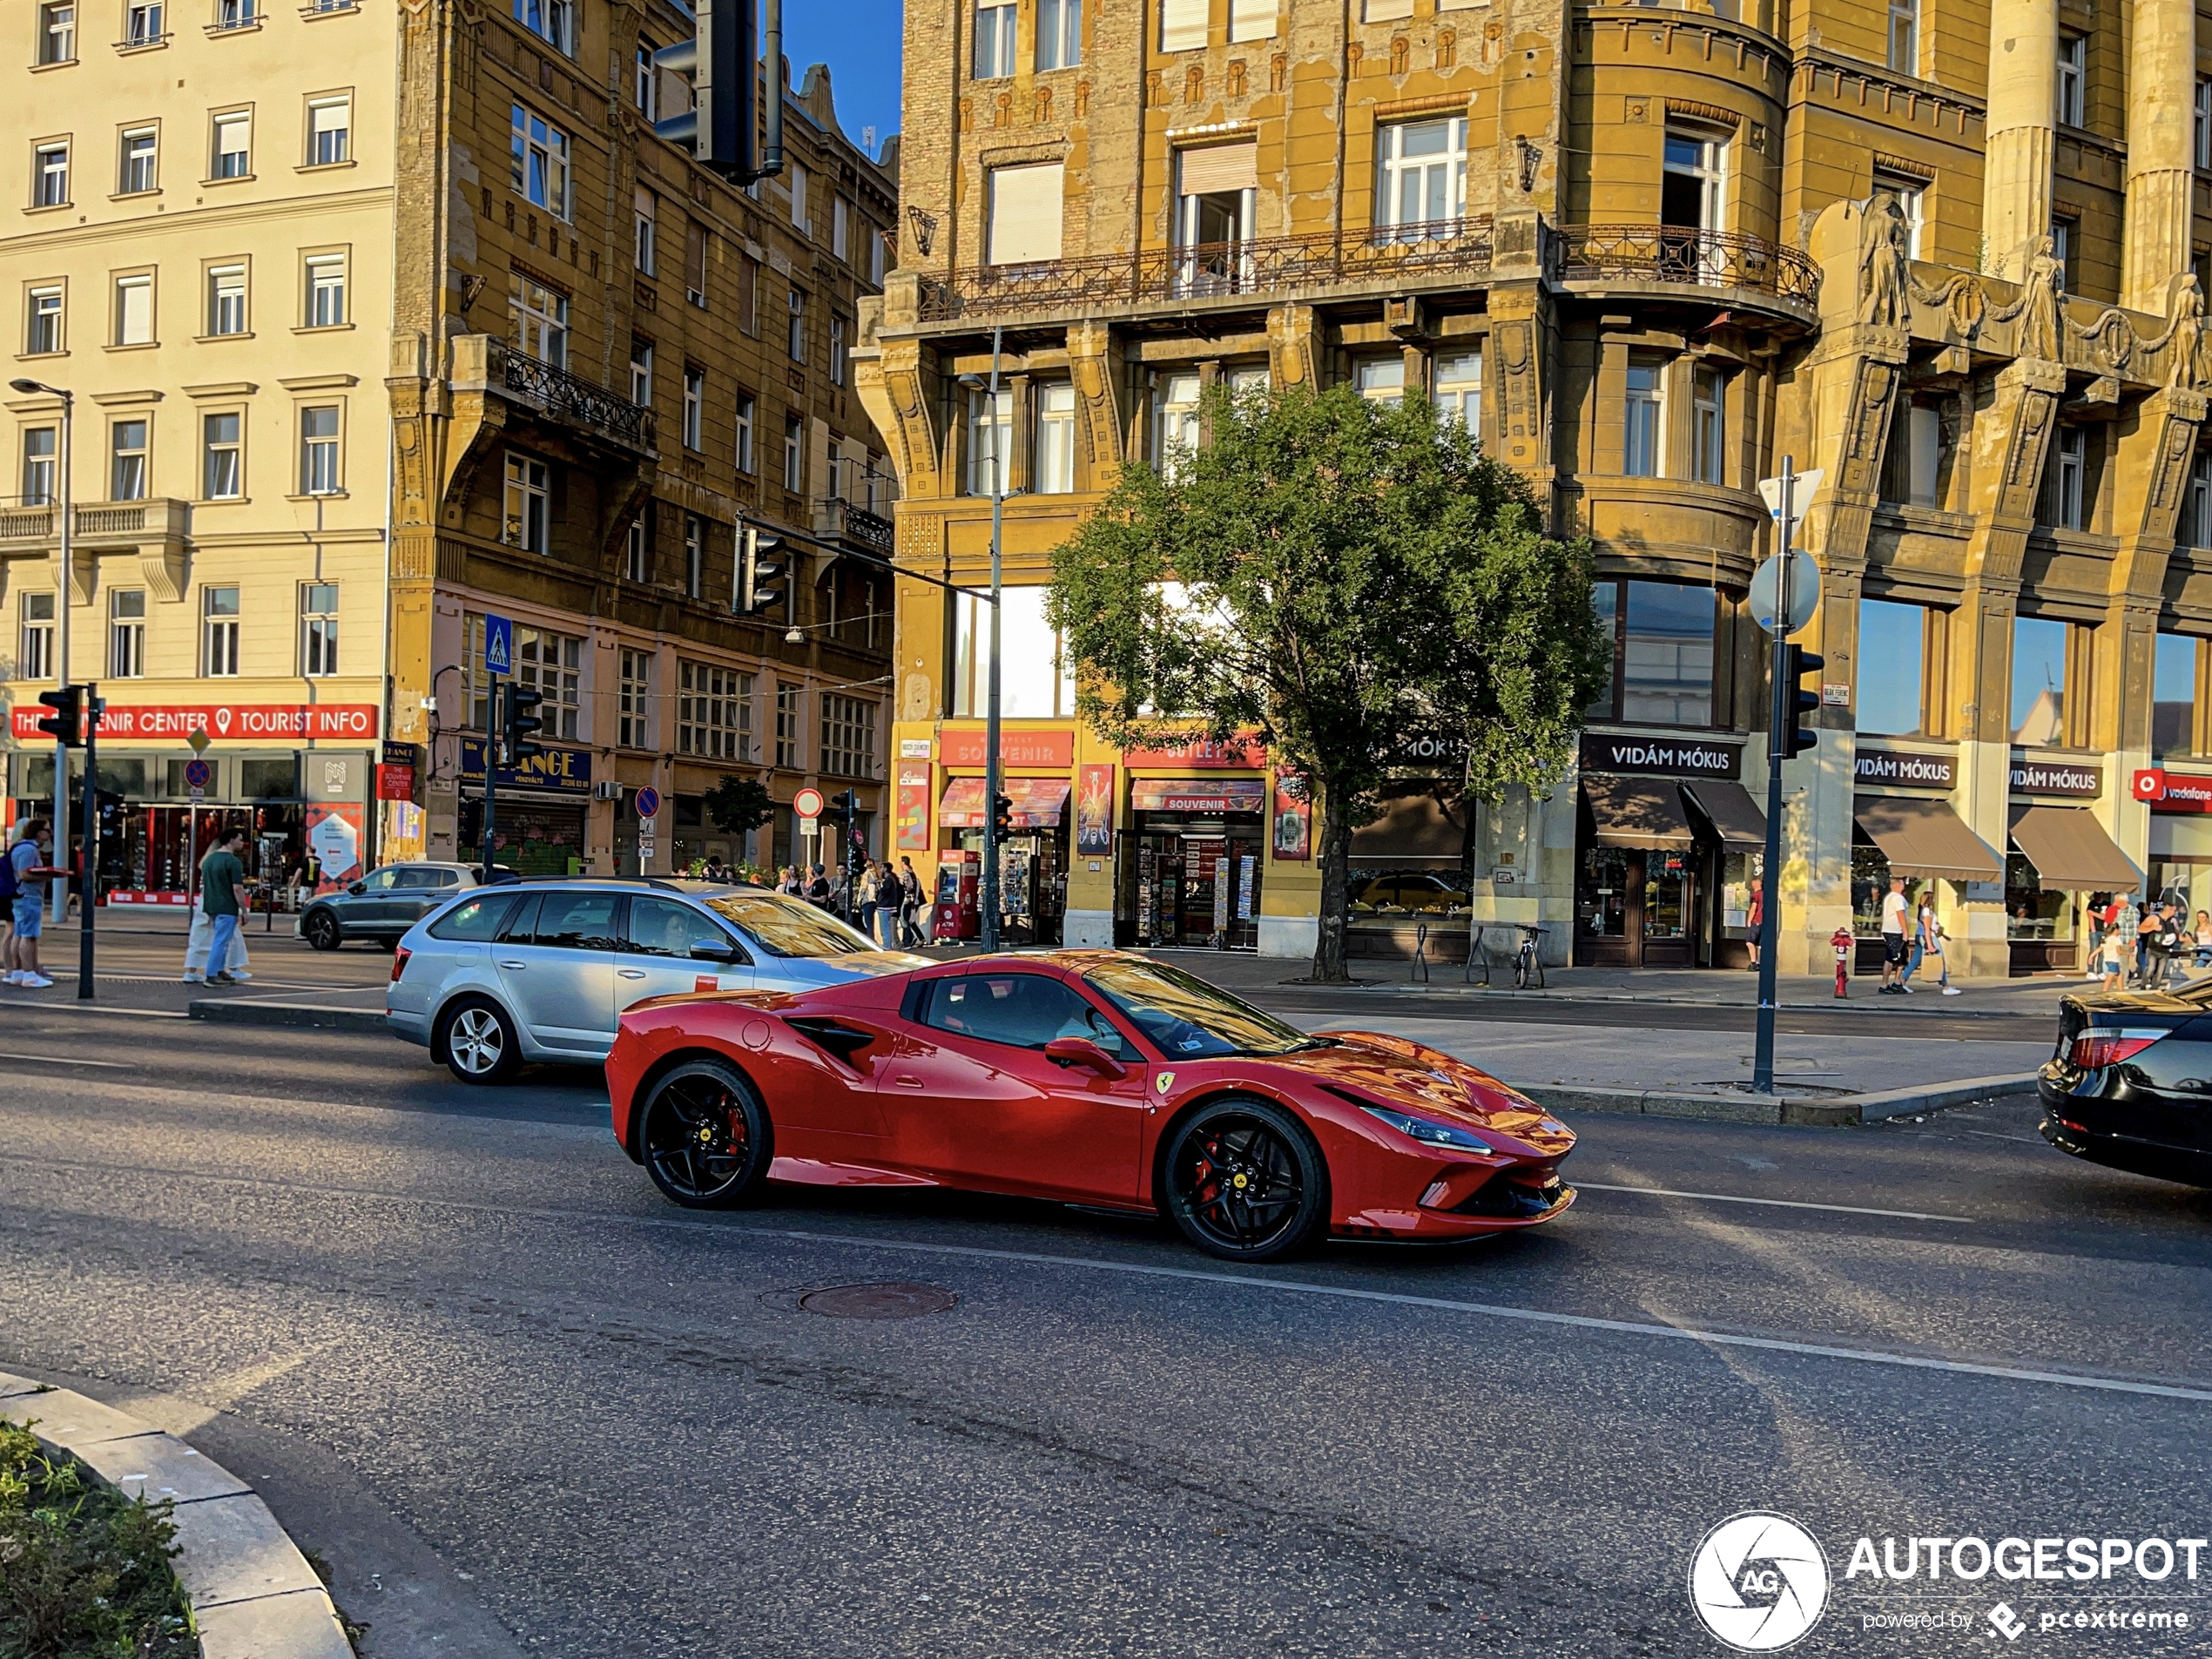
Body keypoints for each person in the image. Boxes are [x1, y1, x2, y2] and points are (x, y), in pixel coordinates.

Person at [5, 819, 57, 988]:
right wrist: (47, 876)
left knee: (19, 934)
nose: (49, 835)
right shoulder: (29, 849)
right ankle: (29, 974)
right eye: (48, 831)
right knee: (28, 936)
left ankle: (18, 972)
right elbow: (24, 874)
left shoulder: (20, 847)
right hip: (29, 896)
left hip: (20, 896)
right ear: (38, 832)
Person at [199, 827, 252, 987]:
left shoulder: (209, 860)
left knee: (221, 940)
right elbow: (237, 888)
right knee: (221, 942)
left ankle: (220, 970)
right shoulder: (233, 862)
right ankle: (211, 974)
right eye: (240, 839)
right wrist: (244, 910)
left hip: (211, 906)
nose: (243, 843)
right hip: (227, 906)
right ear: (231, 840)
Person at [1912, 889, 1960, 995]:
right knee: (1940, 960)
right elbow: (1927, 928)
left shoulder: (1923, 910)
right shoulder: (1927, 911)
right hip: (1930, 937)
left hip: (1926, 936)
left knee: (1917, 960)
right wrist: (1930, 945)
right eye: (1933, 898)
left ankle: (1902, 981)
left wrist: (1943, 935)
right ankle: (1946, 987)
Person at [1878, 875, 1912, 994]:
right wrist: (1905, 932)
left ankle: (1897, 982)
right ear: (1898, 885)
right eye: (1902, 884)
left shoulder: (1890, 897)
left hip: (1890, 930)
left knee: (1901, 958)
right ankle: (1884, 984)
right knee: (1891, 958)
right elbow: (1900, 915)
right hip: (1895, 931)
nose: (1904, 885)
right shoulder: (1897, 898)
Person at [1744, 879, 1763, 969]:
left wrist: (1749, 921)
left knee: (1750, 942)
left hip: (1756, 921)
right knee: (1759, 944)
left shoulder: (1756, 895)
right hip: (1764, 922)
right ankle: (1759, 963)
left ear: (1754, 884)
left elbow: (1753, 908)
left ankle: (1753, 963)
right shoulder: (1766, 894)